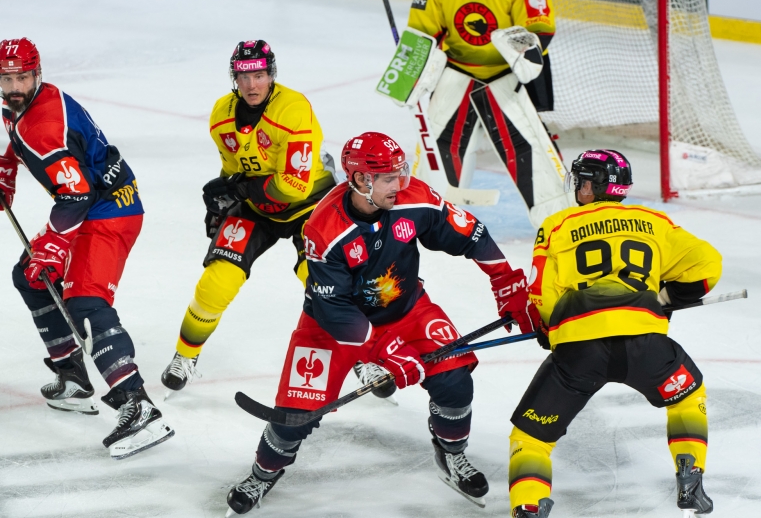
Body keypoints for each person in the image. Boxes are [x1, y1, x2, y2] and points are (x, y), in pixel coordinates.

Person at [224, 132, 535, 516]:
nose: (399, 184)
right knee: (294, 415)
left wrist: (506, 281)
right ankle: (263, 472)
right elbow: (334, 307)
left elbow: (471, 233)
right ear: (359, 181)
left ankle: (451, 453)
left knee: (455, 382)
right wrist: (387, 353)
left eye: (400, 173)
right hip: (332, 326)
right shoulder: (324, 228)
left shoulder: (414, 197)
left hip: (407, 310)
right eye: (389, 178)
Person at [507, 149, 721, 517]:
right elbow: (707, 266)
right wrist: (665, 297)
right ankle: (691, 475)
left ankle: (526, 507)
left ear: (592, 186)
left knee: (531, 439)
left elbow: (541, 293)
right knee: (687, 397)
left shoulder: (557, 225)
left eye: (581, 181)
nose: (578, 187)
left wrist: (547, 328)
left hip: (580, 351)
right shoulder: (653, 220)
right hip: (647, 348)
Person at [0, 38, 173, 459]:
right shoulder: (22, 104)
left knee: (85, 300)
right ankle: (73, 378)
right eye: (7, 78)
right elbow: (21, 140)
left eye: (22, 76)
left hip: (109, 209)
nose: (15, 85)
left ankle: (139, 404)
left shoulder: (43, 126)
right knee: (30, 275)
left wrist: (56, 246)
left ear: (37, 73)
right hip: (91, 200)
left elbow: (76, 194)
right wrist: (6, 168)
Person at [160, 39, 344, 398]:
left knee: (321, 279)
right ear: (235, 77)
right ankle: (185, 356)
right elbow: (234, 170)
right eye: (244, 76)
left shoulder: (293, 108)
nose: (251, 85)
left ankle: (363, 356)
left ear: (271, 74)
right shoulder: (221, 114)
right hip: (257, 206)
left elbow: (292, 185)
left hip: (311, 202)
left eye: (259, 74)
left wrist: (240, 190)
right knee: (217, 280)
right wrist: (223, 205)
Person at [406, 0, 570, 228]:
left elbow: (540, 28)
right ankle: (426, 219)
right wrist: (410, 72)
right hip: (456, 72)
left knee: (536, 157)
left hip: (506, 75)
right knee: (436, 158)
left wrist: (522, 49)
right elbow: (422, 31)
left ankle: (561, 224)